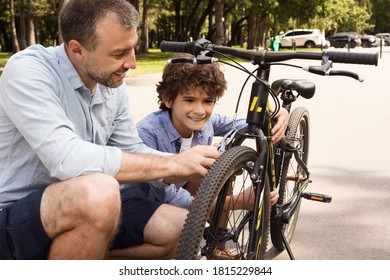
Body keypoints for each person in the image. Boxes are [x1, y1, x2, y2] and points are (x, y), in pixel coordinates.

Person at [0, 0, 219, 260]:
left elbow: (131, 149)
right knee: (99, 191)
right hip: (17, 215)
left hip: (89, 207)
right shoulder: (29, 70)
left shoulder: (110, 82)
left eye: (133, 49)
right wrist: (172, 164)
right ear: (77, 50)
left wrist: (191, 163)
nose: (132, 63)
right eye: (119, 53)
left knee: (183, 226)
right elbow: (67, 160)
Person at [123, 55, 289, 258]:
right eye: (189, 100)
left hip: (176, 190)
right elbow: (171, 200)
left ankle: (218, 245)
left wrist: (275, 116)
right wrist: (238, 202)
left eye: (208, 101)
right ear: (168, 99)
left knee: (220, 164)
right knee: (181, 230)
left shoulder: (205, 122)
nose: (200, 110)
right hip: (141, 206)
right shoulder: (147, 134)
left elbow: (240, 124)